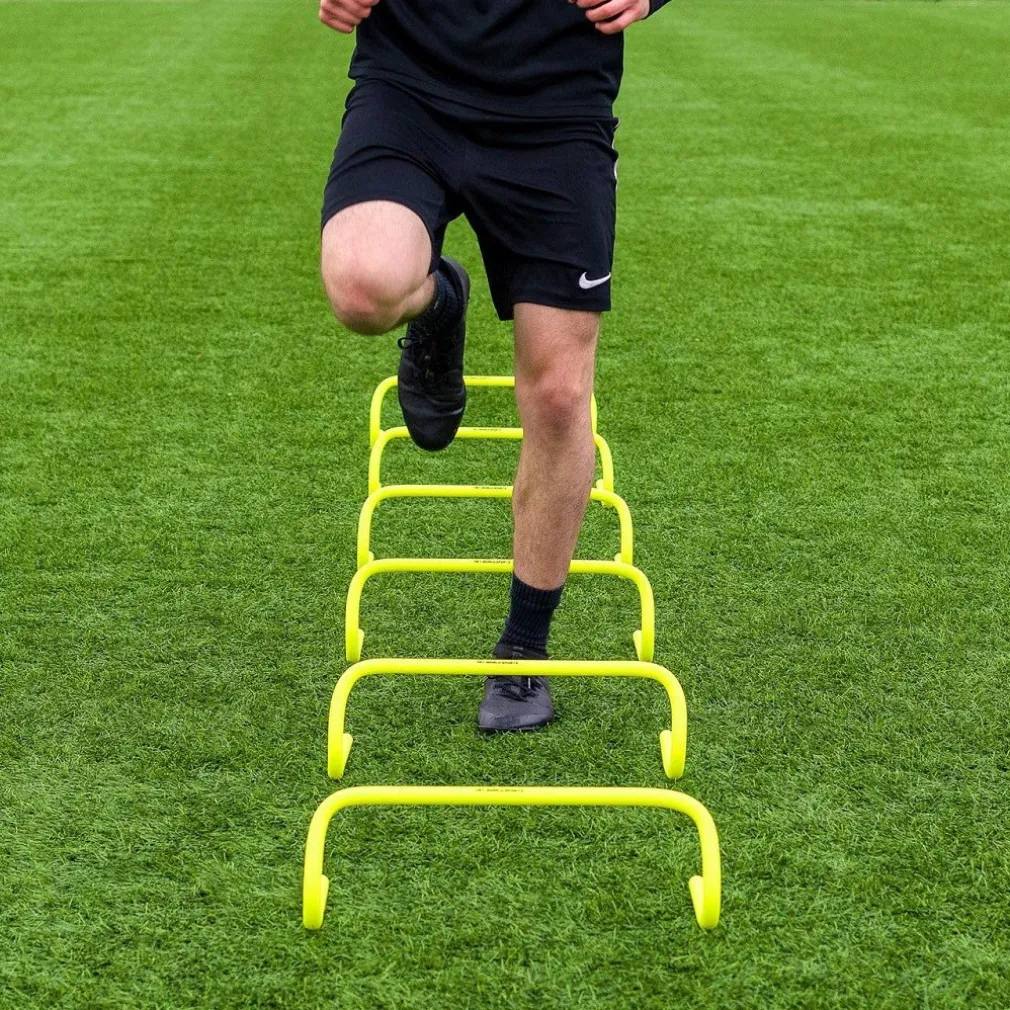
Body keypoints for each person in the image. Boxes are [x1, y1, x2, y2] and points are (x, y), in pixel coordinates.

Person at [318, 0, 672, 732]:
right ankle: (439, 302)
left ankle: (522, 653)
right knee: (361, 286)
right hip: (409, 86)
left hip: (557, 105)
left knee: (559, 394)